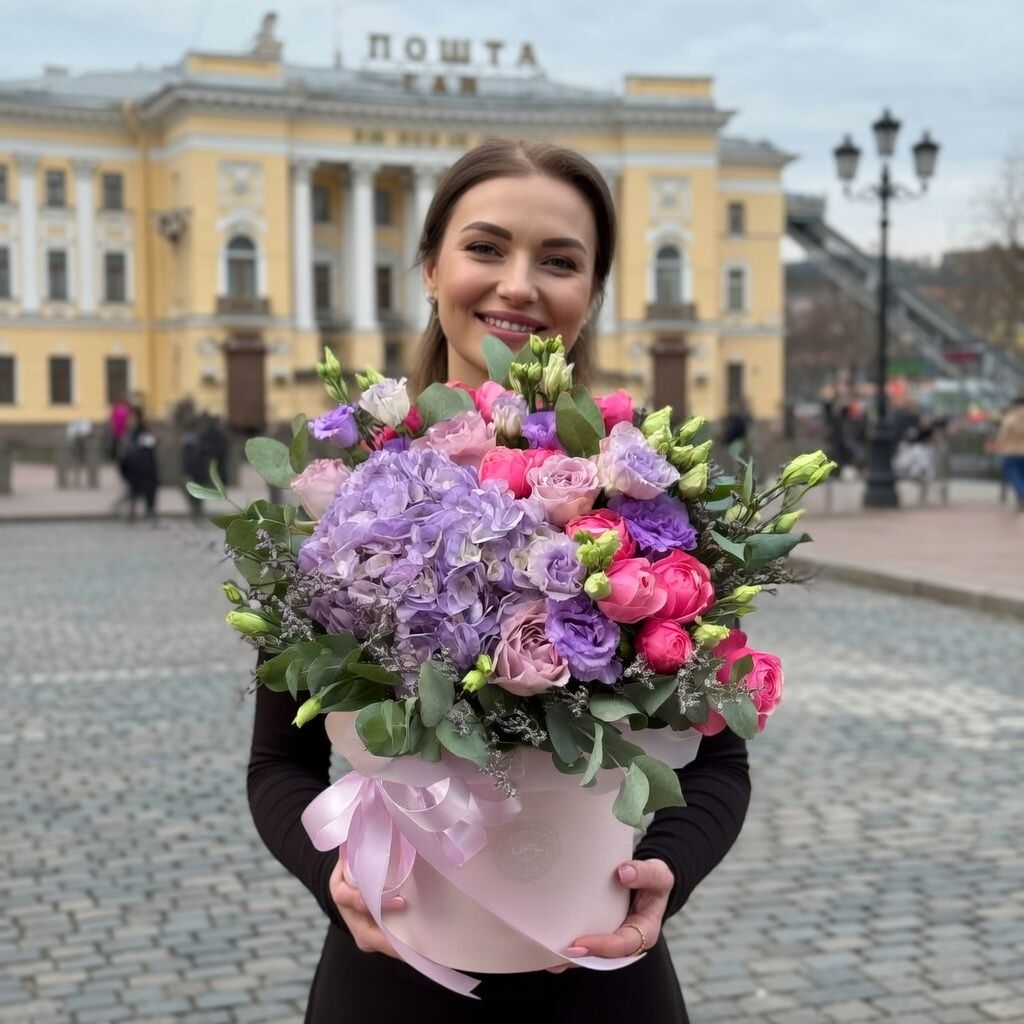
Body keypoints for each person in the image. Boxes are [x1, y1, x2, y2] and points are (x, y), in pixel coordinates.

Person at [247, 139, 751, 1024]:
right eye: (486, 248)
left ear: (591, 291)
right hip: (396, 976)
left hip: (599, 980)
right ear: (431, 267)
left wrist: (667, 869)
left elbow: (720, 758)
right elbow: (279, 762)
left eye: (559, 261)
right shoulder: (347, 498)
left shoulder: (646, 498)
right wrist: (334, 874)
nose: (519, 285)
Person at [119, 407, 159, 524]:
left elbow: (149, 449)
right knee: (134, 493)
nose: (128, 420)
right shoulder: (132, 433)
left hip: (146, 470)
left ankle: (149, 515)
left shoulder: (145, 432)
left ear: (137, 418)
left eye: (131, 418)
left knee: (148, 494)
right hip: (135, 470)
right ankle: (132, 514)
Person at [990, 395, 1024, 509]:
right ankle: (1020, 499)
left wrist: (997, 445)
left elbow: (1003, 435)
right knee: (1021, 476)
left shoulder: (1010, 418)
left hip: (1011, 451)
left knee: (1013, 475)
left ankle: (1022, 495)